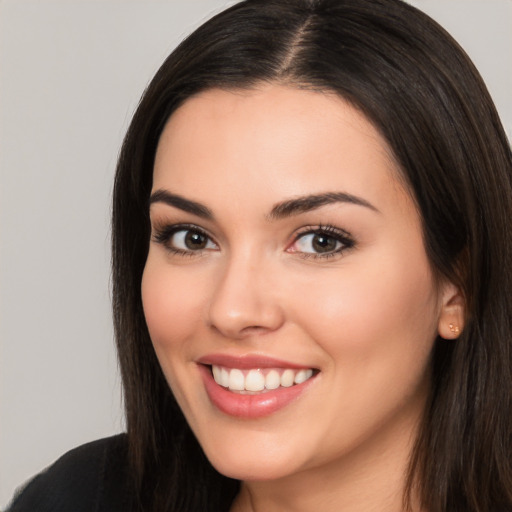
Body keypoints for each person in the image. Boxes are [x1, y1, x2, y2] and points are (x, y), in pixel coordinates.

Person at [8, 0, 512, 511]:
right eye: (191, 237)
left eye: (320, 241)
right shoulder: (75, 499)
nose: (232, 310)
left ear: (458, 285)